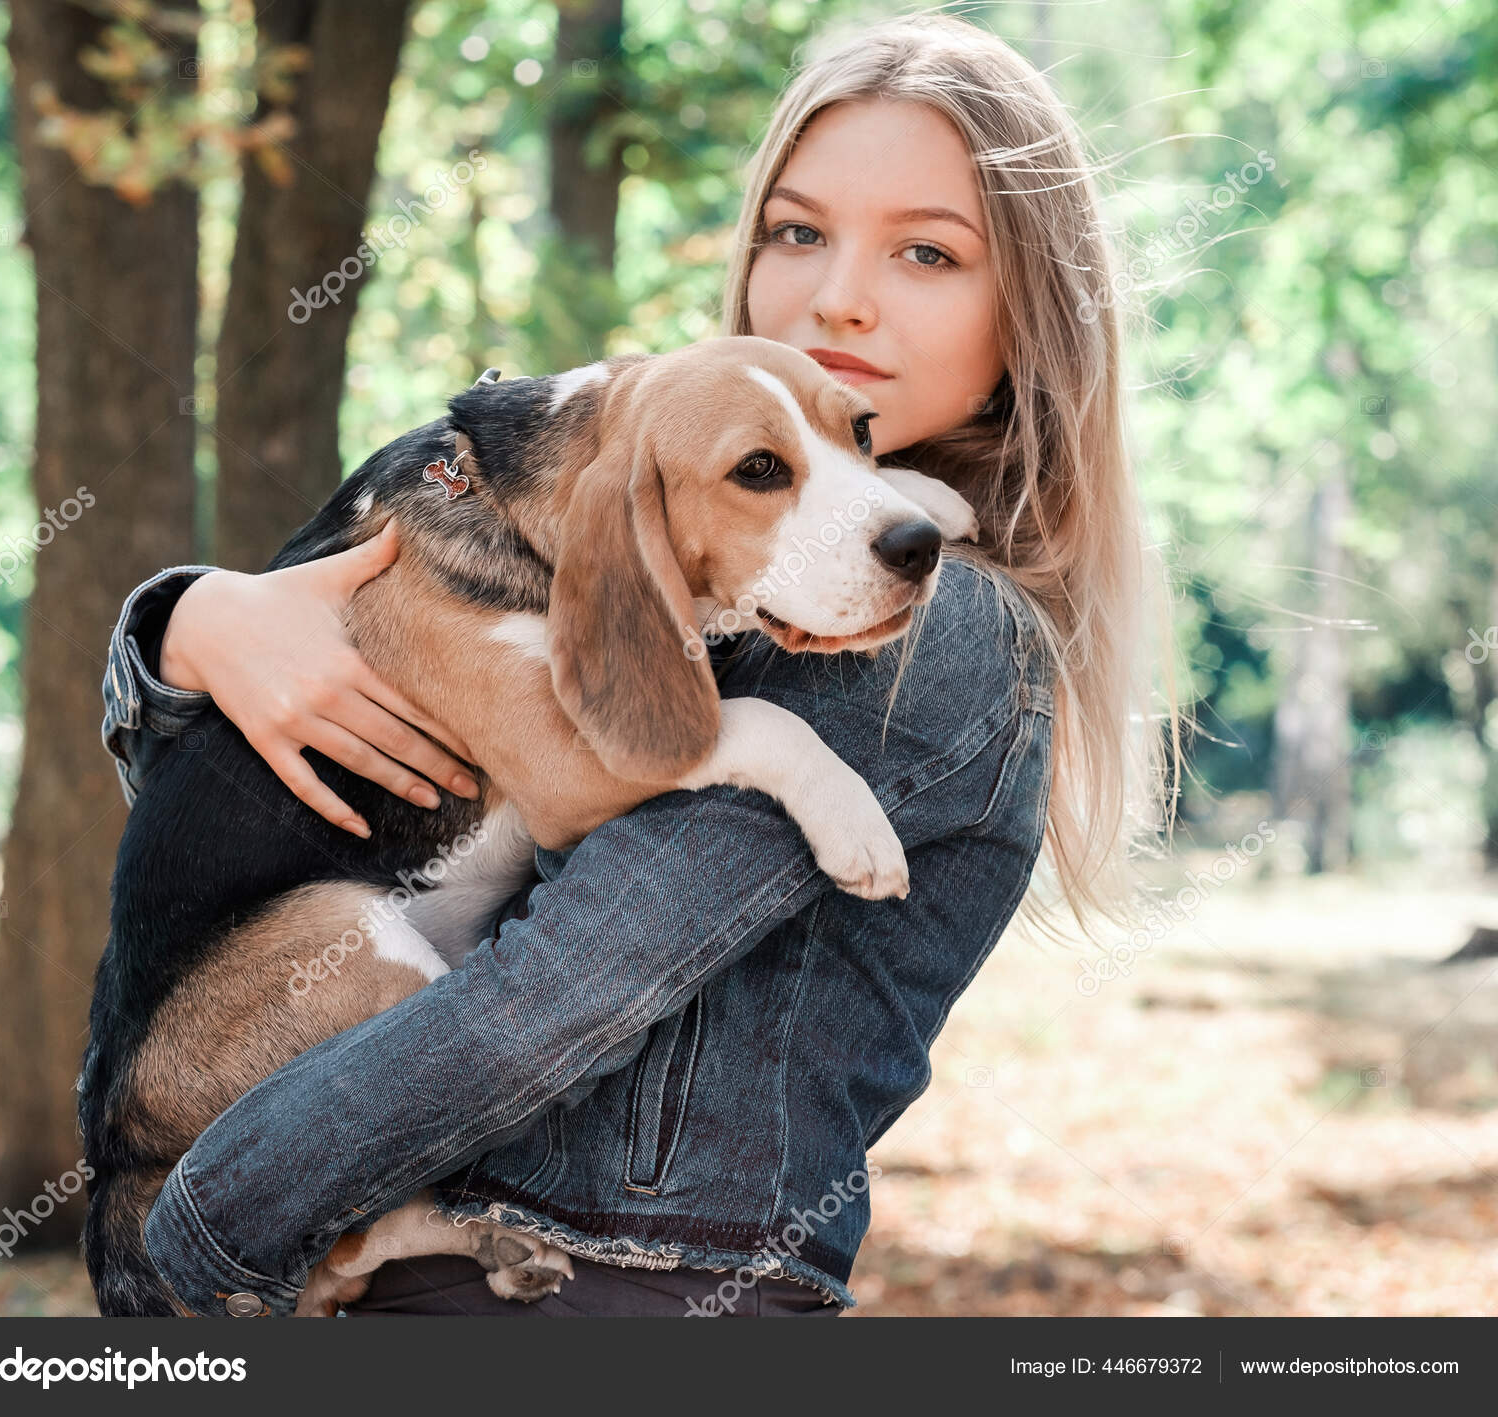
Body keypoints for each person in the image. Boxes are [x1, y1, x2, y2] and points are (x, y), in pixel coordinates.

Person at [97, 13, 1177, 1317]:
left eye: (927, 252)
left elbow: (545, 1000)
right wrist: (183, 628)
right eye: (796, 232)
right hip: (433, 1268)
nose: (839, 296)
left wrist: (202, 1238)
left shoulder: (934, 631)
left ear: (1032, 316)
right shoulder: (664, 509)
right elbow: (242, 843)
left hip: (615, 1300)